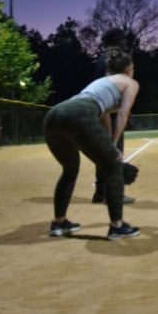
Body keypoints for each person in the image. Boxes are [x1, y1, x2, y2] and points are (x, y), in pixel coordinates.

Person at [44, 47, 140, 240]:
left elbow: (103, 116)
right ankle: (117, 227)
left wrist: (111, 145)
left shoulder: (100, 82)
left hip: (54, 115)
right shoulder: (130, 82)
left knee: (70, 170)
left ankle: (59, 223)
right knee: (113, 166)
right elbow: (123, 113)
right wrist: (113, 150)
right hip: (79, 113)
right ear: (129, 68)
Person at [92, 29, 135, 205]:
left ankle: (101, 192)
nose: (126, 43)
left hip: (100, 110)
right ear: (116, 41)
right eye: (123, 40)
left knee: (104, 153)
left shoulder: (102, 58)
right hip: (108, 112)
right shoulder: (114, 60)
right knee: (115, 152)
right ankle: (114, 194)